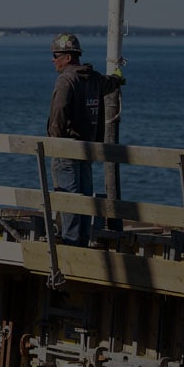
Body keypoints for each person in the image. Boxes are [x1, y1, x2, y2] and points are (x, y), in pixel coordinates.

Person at [45, 33, 123, 247]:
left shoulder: (66, 79)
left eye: (55, 55)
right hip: (87, 149)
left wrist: (55, 142)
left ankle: (72, 245)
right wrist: (118, 78)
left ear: (68, 57)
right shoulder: (93, 78)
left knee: (69, 200)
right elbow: (110, 83)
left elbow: (59, 112)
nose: (53, 59)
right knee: (85, 199)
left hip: (66, 149)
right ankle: (82, 242)